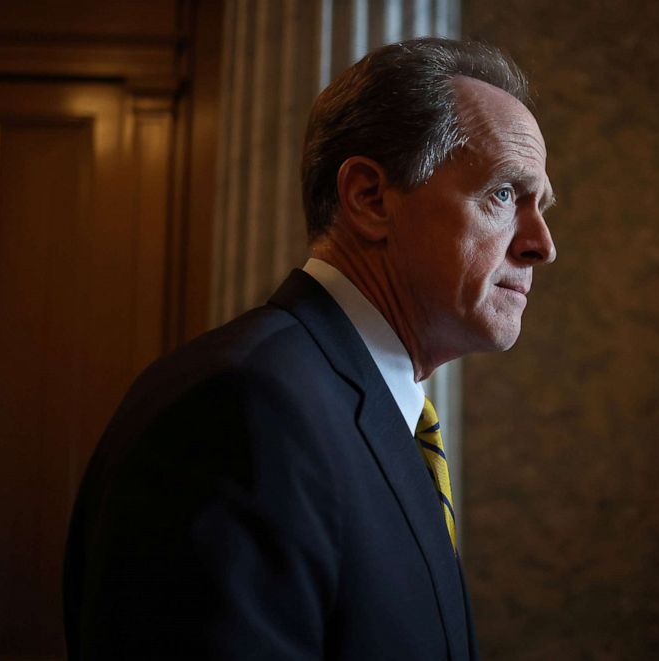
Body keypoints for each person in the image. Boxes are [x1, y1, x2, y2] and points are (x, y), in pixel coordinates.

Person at [63, 37, 555, 660]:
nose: (542, 244)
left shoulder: (360, 408)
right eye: (505, 195)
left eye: (541, 205)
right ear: (370, 198)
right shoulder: (243, 408)